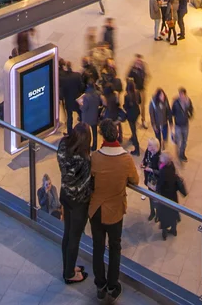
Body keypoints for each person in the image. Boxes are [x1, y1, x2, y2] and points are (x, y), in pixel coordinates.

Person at [87, 121, 136, 301]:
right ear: (117, 135)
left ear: (102, 136)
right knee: (115, 247)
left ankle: (100, 284)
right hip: (115, 211)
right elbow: (135, 180)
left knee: (98, 247)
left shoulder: (95, 157)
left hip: (96, 210)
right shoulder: (125, 159)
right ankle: (113, 285)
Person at [57, 123, 94, 284]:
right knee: (74, 238)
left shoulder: (63, 145)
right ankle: (70, 275)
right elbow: (87, 185)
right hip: (79, 203)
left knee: (67, 234)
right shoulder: (85, 160)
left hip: (65, 195)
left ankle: (68, 268)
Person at [151, 148, 187, 239]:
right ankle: (174, 230)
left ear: (165, 160)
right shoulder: (171, 166)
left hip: (165, 196)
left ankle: (164, 233)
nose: (160, 157)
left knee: (164, 215)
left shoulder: (163, 171)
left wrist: (155, 188)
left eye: (161, 156)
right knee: (172, 213)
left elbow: (160, 184)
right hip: (173, 195)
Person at [170, 87, 193, 162]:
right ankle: (176, 142)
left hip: (185, 124)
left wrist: (190, 115)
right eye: (180, 94)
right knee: (179, 139)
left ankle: (182, 153)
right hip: (178, 125)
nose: (181, 96)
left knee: (185, 141)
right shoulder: (176, 102)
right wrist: (171, 121)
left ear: (185, 94)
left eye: (182, 94)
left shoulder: (188, 101)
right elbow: (172, 112)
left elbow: (191, 109)